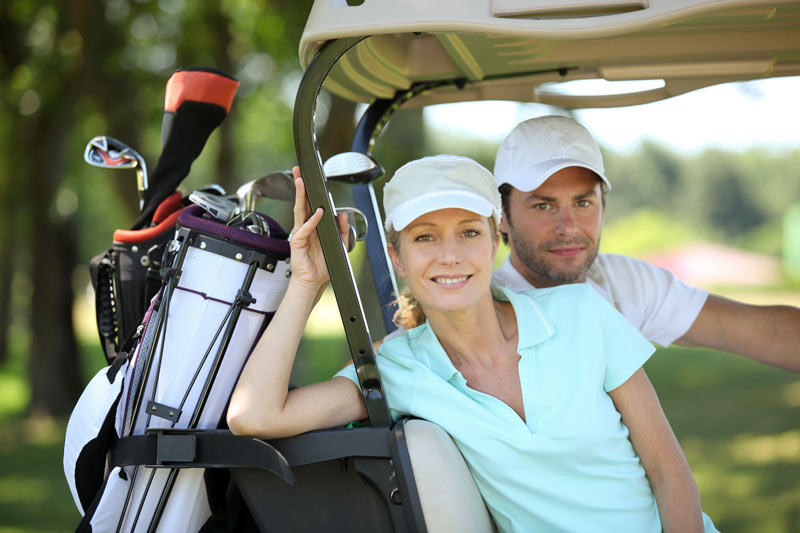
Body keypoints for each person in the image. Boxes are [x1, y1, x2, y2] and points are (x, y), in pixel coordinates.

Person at [228, 155, 717, 532]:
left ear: (495, 242)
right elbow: (255, 416)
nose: (449, 256)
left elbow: (667, 468)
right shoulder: (396, 368)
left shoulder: (582, 312)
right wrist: (308, 282)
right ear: (397, 256)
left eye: (468, 233)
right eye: (424, 238)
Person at [492, 115, 800, 371]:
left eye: (583, 203)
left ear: (603, 207)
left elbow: (766, 331)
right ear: (501, 215)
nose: (568, 226)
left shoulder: (623, 281)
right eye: (543, 206)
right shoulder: (484, 309)